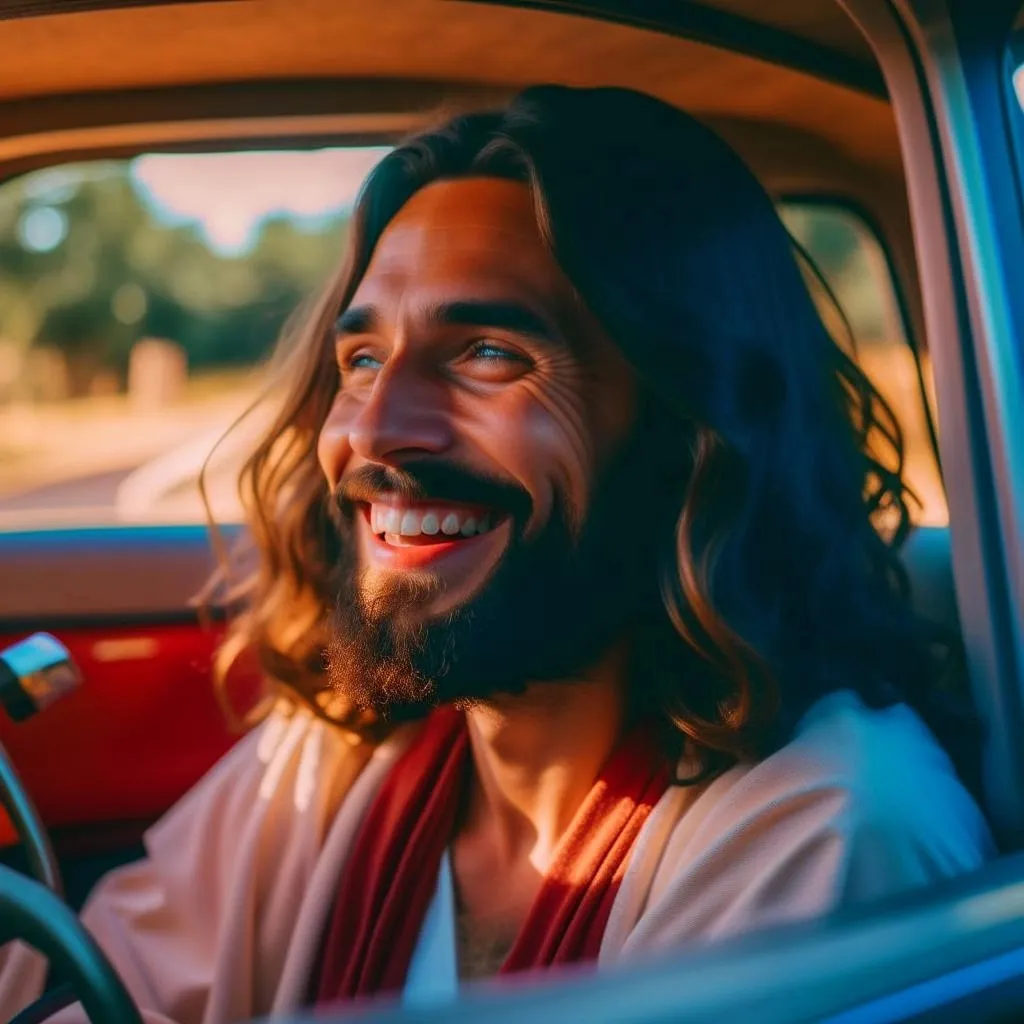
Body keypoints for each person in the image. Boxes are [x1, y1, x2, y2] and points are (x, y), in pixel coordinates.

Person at [0, 85, 993, 1023]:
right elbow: (78, 989)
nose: (374, 432)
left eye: (487, 355)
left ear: (691, 424)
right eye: (361, 360)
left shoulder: (826, 835)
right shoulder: (341, 754)